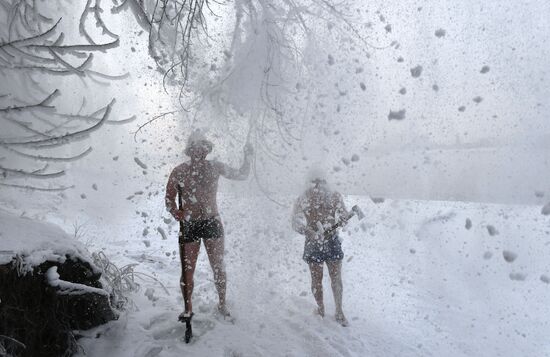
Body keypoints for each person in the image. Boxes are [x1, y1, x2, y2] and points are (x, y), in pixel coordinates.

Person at [165, 130, 253, 322]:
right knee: (188, 270)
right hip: (190, 225)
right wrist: (176, 212)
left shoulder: (215, 167)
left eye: (202, 148)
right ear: (189, 150)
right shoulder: (179, 171)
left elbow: (241, 175)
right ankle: (188, 308)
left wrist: (247, 157)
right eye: (195, 148)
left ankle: (222, 304)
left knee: (218, 267)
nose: (199, 151)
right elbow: (169, 198)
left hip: (212, 221)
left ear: (206, 150)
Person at [291, 169, 349, 326]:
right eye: (315, 182)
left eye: (321, 182)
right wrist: (308, 231)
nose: (318, 186)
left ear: (325, 181)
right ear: (311, 182)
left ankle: (339, 311)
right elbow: (294, 222)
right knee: (317, 278)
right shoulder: (304, 197)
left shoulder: (334, 195)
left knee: (335, 278)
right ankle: (321, 308)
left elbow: (344, 215)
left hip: (332, 240)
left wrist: (344, 219)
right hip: (313, 242)